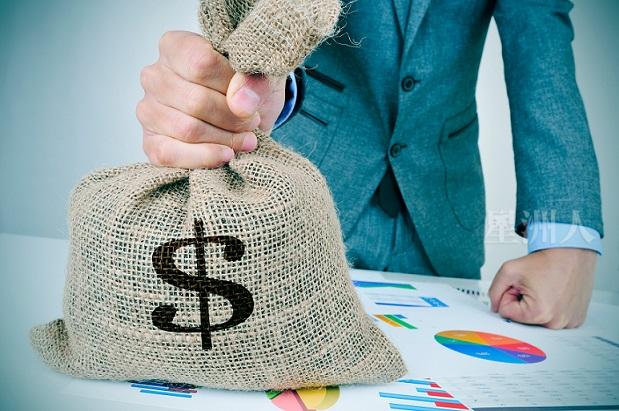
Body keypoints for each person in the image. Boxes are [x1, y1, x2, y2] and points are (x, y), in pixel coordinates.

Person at [136, 0, 603, 329]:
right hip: (307, 187)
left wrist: (567, 238)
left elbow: (543, 53)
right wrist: (257, 85)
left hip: (440, 219)